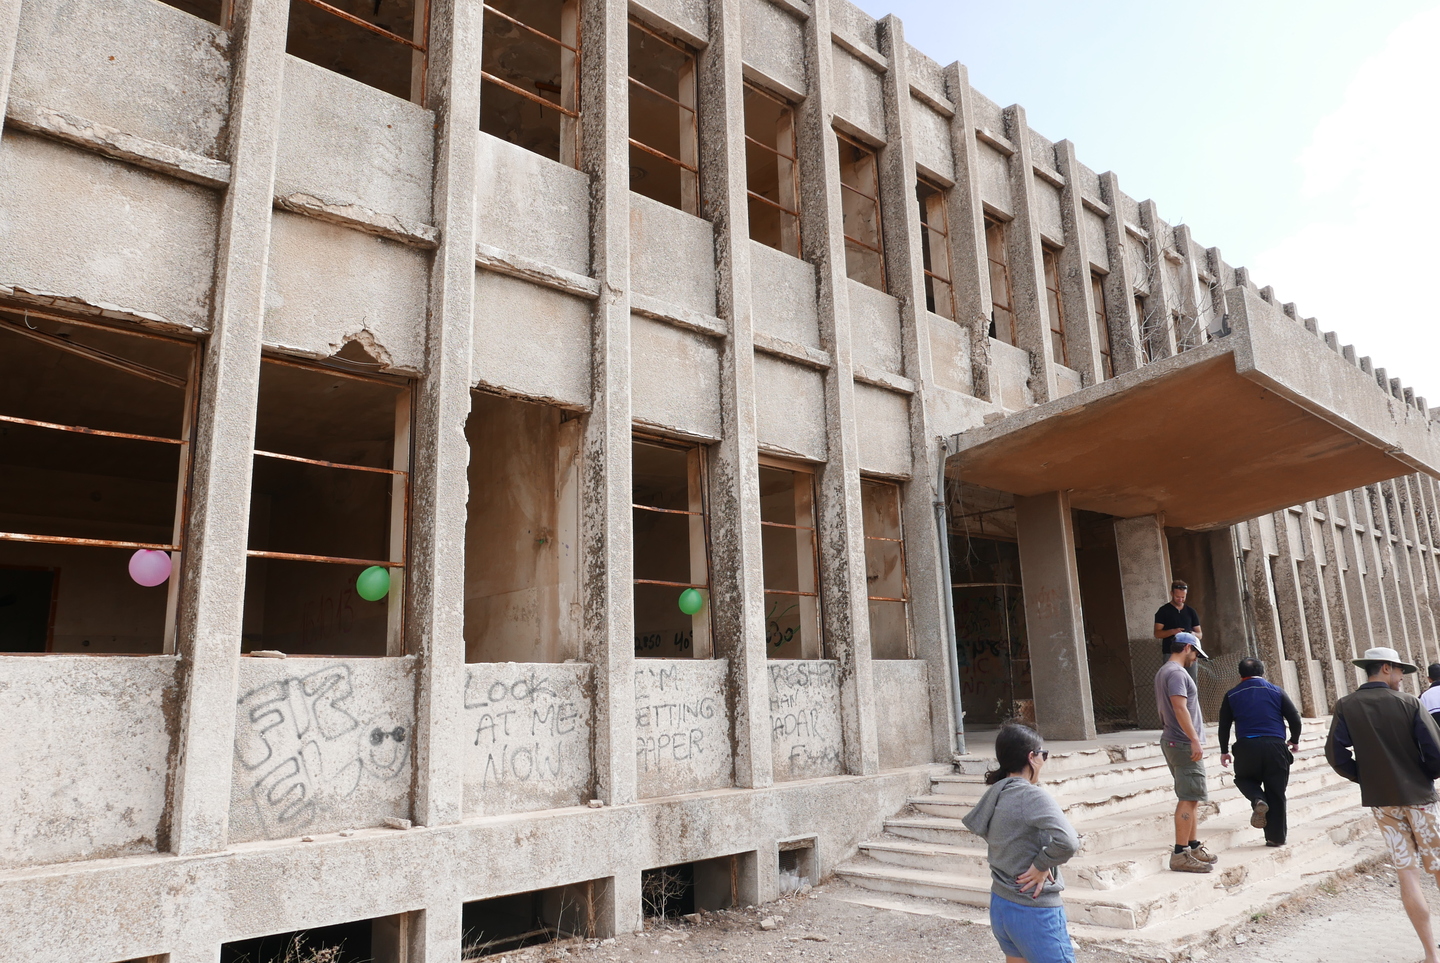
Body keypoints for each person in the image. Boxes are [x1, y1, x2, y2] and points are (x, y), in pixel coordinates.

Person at [1326, 647, 1440, 963]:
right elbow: (1437, 752)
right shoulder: (1409, 703)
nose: (1402, 677)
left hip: (1383, 804)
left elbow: (1336, 756)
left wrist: (1367, 778)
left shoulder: (1346, 706)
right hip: (1419, 799)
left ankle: (1431, 956)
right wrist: (1425, 775)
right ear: (1387, 668)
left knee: (1408, 874)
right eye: (1400, 671)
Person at [962, 723, 1080, 963]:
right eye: (1043, 754)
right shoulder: (1031, 796)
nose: (1044, 760)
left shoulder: (996, 794)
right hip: (1034, 908)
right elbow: (1068, 842)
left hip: (1001, 905)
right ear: (1031, 757)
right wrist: (1041, 864)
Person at [1218, 658, 1301, 847]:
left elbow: (1224, 726)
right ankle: (1275, 838)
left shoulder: (1231, 695)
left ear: (1240, 674)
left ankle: (1257, 798)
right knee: (1277, 793)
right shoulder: (1277, 691)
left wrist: (1224, 751)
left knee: (1244, 779)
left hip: (1247, 748)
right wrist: (1294, 740)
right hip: (1276, 747)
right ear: (1263, 672)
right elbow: (1294, 718)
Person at [1155, 632, 1218, 872]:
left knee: (1191, 797)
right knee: (1188, 797)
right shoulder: (1176, 673)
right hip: (1182, 742)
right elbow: (1180, 708)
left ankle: (1192, 847)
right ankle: (1180, 854)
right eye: (1195, 654)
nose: (1196, 659)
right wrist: (1194, 739)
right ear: (1187, 648)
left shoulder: (1166, 671)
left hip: (1175, 741)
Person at [1154, 580, 1202, 655]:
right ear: (1171, 593)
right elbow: (1157, 634)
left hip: (1189, 653)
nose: (1180, 600)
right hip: (1171, 653)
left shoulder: (1191, 611)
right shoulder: (1163, 611)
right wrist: (1172, 632)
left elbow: (1200, 634)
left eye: (1183, 597)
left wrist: (1192, 634)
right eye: (1177, 597)